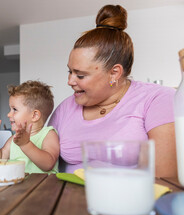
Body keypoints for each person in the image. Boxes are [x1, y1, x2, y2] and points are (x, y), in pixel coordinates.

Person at [48, 5, 177, 177]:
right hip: (66, 200)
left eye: (80, 75)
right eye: (70, 72)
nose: (70, 81)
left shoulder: (158, 99)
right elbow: (42, 161)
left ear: (114, 73)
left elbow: (165, 180)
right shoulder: (64, 110)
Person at [0, 80, 59, 174]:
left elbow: (48, 164)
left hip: (43, 187)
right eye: (10, 109)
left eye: (14, 109)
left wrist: (25, 144)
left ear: (34, 115)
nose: (8, 114)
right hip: (18, 186)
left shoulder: (48, 134)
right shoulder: (14, 138)